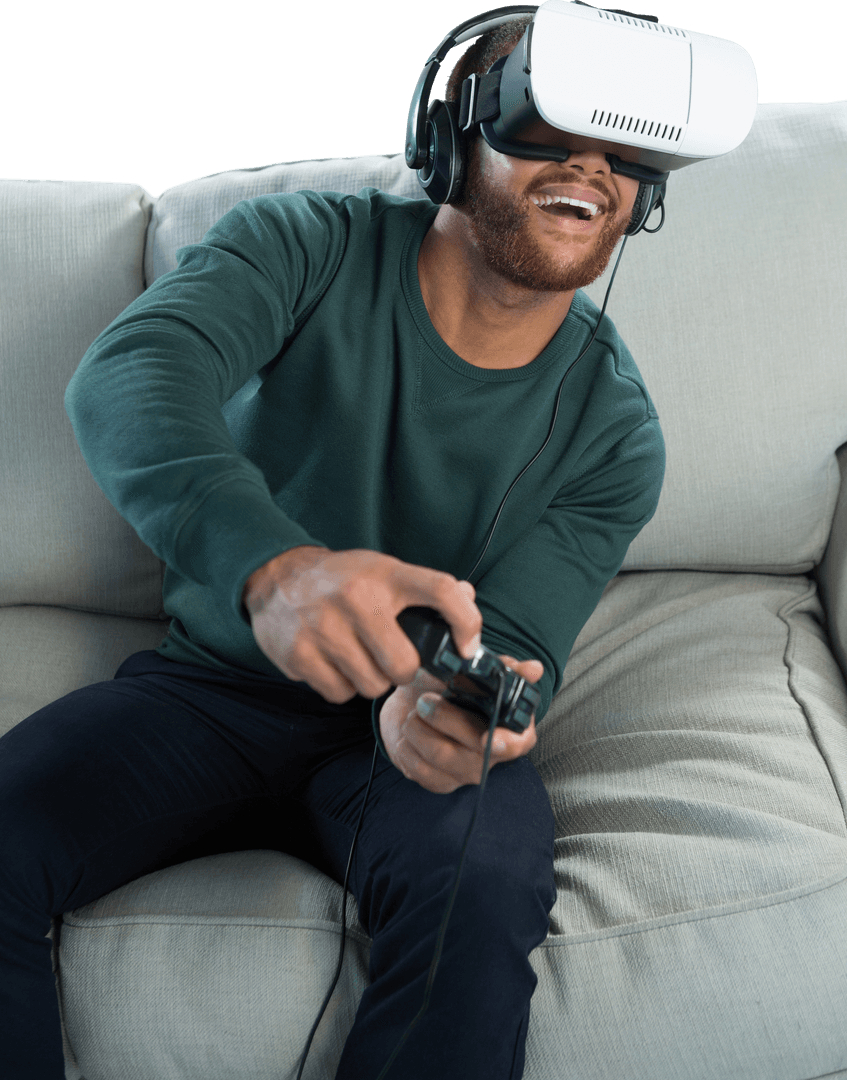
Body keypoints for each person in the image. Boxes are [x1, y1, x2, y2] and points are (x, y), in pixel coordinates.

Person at [0, 16, 665, 1080]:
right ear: (448, 137)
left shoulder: (618, 435)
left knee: (483, 887)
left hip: (401, 735)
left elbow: (522, 637)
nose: (590, 160)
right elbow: (136, 374)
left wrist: (450, 713)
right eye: (542, 117)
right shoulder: (305, 243)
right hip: (211, 692)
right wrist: (277, 569)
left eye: (626, 140)